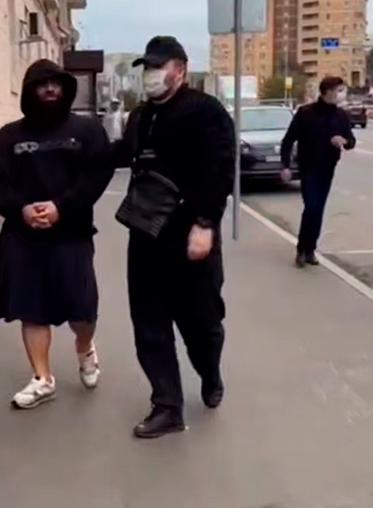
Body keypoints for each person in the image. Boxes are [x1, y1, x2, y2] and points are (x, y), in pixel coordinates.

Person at [114, 36, 235, 438]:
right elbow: (123, 154)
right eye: (147, 68)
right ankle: (167, 406)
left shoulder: (205, 111)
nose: (150, 75)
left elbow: (220, 170)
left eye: (157, 66)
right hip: (146, 233)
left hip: (190, 235)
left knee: (201, 322)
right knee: (148, 322)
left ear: (179, 70)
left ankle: (209, 370)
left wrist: (205, 224)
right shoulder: (141, 116)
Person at [0, 59, 114, 409]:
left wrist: (62, 207)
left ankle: (84, 347)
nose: (50, 89)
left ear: (66, 89)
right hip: (23, 236)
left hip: (71, 233)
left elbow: (96, 176)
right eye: (42, 84)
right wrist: (20, 209)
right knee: (32, 308)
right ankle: (42, 378)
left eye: (56, 83)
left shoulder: (86, 131)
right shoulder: (8, 138)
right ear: (30, 92)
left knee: (81, 309)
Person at [280, 76, 356, 267]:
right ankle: (301, 249)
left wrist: (344, 141)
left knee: (318, 209)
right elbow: (288, 140)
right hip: (308, 168)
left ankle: (310, 249)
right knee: (312, 207)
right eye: (338, 90)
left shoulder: (340, 115)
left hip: (327, 169)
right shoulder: (306, 113)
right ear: (327, 91)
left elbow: (351, 141)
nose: (340, 94)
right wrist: (285, 166)